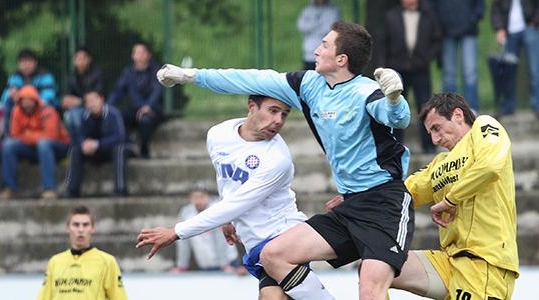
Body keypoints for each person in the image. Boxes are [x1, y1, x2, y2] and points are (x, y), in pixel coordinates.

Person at [154, 21, 413, 300]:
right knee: (273, 254)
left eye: (324, 44)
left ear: (341, 59)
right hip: (349, 204)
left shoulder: (367, 92)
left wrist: (396, 99)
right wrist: (191, 76)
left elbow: (396, 118)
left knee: (370, 291)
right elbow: (248, 79)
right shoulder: (309, 85)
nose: (316, 49)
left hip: (384, 204)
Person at [136, 95, 331, 299]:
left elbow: (237, 204)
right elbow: (225, 178)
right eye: (273, 111)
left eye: (284, 114)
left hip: (282, 239)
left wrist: (176, 232)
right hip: (257, 244)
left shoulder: (277, 159)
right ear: (251, 106)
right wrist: (228, 219)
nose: (279, 121)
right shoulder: (218, 135)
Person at [387, 92, 518, 299]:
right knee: (378, 267)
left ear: (458, 115)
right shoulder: (440, 162)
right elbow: (402, 192)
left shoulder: (483, 128)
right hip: (448, 262)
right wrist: (355, 198)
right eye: (430, 132)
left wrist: (449, 200)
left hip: (483, 263)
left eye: (436, 128)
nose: (435, 139)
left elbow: (491, 166)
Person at [377, 0, 441, 154]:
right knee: (396, 106)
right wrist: (385, 67)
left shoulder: (429, 15)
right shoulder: (391, 16)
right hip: (398, 68)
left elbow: (437, 39)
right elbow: (383, 43)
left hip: (420, 68)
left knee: (425, 106)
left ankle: (428, 144)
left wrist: (426, 58)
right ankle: (395, 145)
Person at [37, 205, 127, 300]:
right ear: (68, 227)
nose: (80, 230)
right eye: (76, 225)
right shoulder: (55, 262)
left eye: (85, 225)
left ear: (92, 228)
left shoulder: (107, 262)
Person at [0, 85, 70, 200]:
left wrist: (27, 135)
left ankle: (50, 189)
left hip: (57, 147)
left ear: (35, 100)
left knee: (44, 144)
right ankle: (9, 189)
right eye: (24, 101)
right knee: (8, 145)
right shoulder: (17, 111)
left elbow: (51, 135)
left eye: (29, 100)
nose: (27, 104)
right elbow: (15, 134)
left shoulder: (47, 110)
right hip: (33, 148)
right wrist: (33, 137)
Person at [491, 0, 539, 121]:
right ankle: (507, 106)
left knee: (535, 69)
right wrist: (499, 28)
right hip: (508, 32)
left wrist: (535, 22)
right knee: (507, 72)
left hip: (530, 27)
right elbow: (496, 8)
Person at [64, 89, 129, 198]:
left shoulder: (113, 113)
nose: (91, 104)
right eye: (88, 101)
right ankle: (72, 189)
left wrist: (98, 144)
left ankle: (120, 189)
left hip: (111, 149)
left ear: (101, 99)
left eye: (94, 100)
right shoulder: (85, 115)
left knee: (119, 149)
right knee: (75, 150)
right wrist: (84, 144)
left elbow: (120, 137)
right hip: (93, 151)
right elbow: (79, 135)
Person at [171, 185, 246, 275]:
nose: (198, 201)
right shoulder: (186, 213)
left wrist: (224, 264)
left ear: (208, 197)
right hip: (205, 264)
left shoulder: (217, 209)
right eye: (195, 197)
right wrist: (181, 266)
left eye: (201, 197)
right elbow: (183, 241)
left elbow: (220, 239)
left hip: (227, 263)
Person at [107, 41, 164, 159]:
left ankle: (144, 151)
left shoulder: (156, 71)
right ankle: (127, 147)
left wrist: (148, 106)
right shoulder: (128, 72)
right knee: (119, 117)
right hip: (134, 109)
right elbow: (119, 90)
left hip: (152, 109)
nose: (139, 55)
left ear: (148, 55)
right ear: (132, 56)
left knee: (145, 120)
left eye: (142, 52)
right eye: (136, 52)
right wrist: (107, 107)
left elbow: (157, 91)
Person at [430, 0, 485, 112]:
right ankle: (449, 109)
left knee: (470, 72)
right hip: (446, 32)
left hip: (469, 30)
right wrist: (438, 24)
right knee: (449, 74)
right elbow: (431, 6)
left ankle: (471, 109)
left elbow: (480, 5)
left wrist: (473, 19)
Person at [0, 48, 58, 135]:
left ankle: (45, 135)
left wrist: (31, 100)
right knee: (6, 106)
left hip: (40, 107)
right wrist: (12, 95)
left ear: (35, 62)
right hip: (21, 108)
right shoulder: (15, 77)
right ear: (19, 64)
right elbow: (5, 96)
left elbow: (49, 95)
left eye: (28, 62)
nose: (26, 65)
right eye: (23, 62)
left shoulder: (45, 75)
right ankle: (10, 136)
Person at [62, 46, 104, 143]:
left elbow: (98, 95)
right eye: (78, 58)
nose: (81, 61)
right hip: (76, 108)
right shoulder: (71, 76)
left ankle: (82, 144)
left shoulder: (97, 74)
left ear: (89, 59)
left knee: (75, 115)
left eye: (83, 58)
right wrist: (66, 100)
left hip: (93, 109)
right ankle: (75, 145)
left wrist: (80, 101)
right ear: (74, 60)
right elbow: (66, 97)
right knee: (69, 114)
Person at [296, 0, 341, 70]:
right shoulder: (307, 10)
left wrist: (313, 25)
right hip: (309, 51)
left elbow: (329, 29)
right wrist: (318, 24)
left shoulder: (333, 11)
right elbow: (302, 26)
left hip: (326, 51)